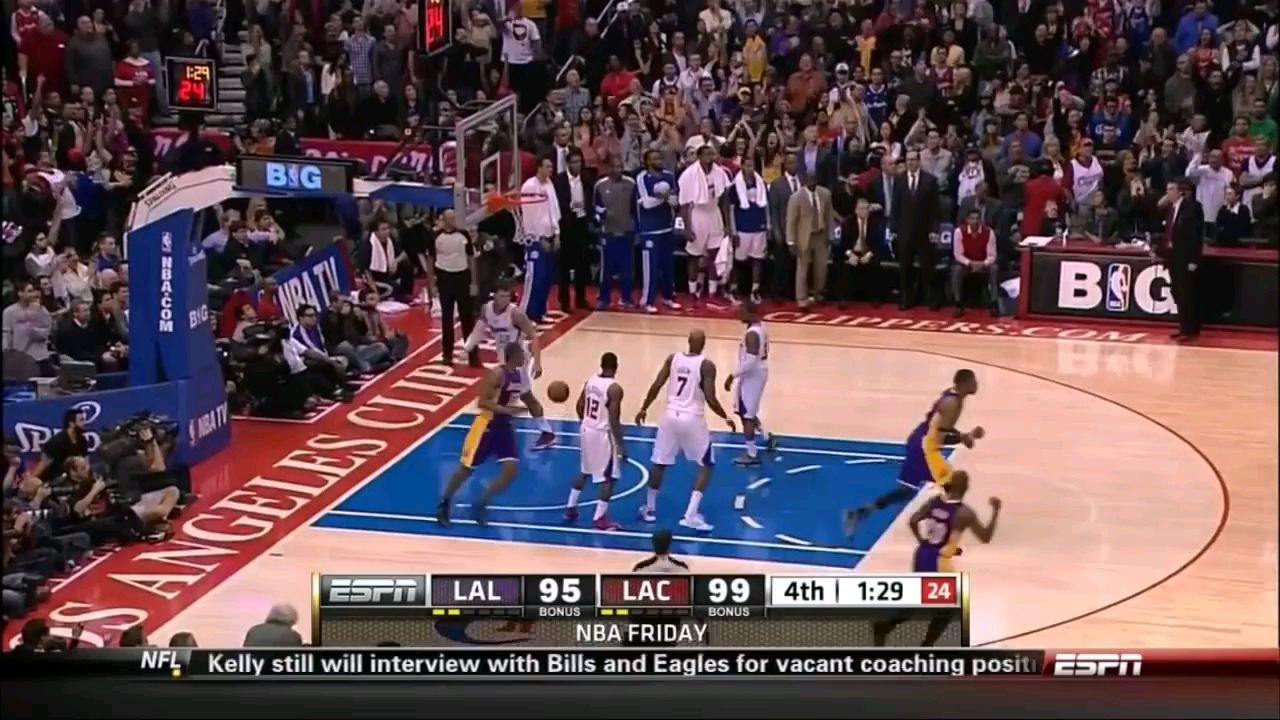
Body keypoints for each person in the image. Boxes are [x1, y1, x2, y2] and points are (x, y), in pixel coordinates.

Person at [844, 369, 984, 534]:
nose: (977, 384)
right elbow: (939, 437)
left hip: (922, 440)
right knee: (952, 486)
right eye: (973, 381)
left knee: (907, 491)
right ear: (964, 384)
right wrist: (964, 437)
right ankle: (940, 527)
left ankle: (859, 513)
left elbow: (940, 426)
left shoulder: (953, 397)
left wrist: (963, 436)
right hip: (924, 448)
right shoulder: (952, 404)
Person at [871, 470, 1001, 647]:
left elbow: (913, 521)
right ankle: (925, 646)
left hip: (922, 554)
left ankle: (884, 627)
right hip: (939, 562)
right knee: (948, 609)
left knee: (918, 600)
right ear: (966, 488)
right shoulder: (964, 513)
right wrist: (995, 511)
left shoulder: (935, 502)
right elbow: (985, 537)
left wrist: (923, 541)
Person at [634, 330, 736, 532]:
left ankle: (650, 509)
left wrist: (644, 407)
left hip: (670, 416)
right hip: (692, 419)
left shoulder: (673, 359)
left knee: (660, 463)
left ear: (688, 341)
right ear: (704, 343)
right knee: (707, 465)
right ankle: (690, 514)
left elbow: (657, 385)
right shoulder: (706, 365)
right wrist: (725, 416)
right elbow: (710, 398)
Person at [436, 342, 532, 527]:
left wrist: (521, 409)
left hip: (504, 427)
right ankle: (444, 503)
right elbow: (482, 402)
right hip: (486, 425)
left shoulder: (518, 375)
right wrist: (506, 410)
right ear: (513, 355)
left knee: (511, 470)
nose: (524, 357)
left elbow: (515, 398)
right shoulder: (496, 374)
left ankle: (481, 503)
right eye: (522, 354)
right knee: (466, 469)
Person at [462, 280, 555, 449]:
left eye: (507, 296)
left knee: (524, 396)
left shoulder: (516, 314)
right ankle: (499, 427)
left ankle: (546, 432)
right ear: (494, 296)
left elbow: (534, 336)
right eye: (502, 295)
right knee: (500, 394)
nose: (505, 299)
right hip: (503, 358)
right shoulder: (486, 310)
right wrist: (467, 348)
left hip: (518, 360)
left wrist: (537, 362)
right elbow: (478, 330)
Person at [564, 352, 625, 531]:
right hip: (601, 434)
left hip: (586, 429)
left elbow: (579, 406)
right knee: (609, 478)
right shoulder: (614, 388)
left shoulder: (590, 381)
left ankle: (570, 507)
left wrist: (586, 423)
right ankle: (600, 518)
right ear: (616, 366)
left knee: (585, 470)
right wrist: (621, 444)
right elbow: (614, 419)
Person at [724, 301, 777, 467]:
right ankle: (767, 437)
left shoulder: (752, 334)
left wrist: (732, 375)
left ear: (750, 313)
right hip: (759, 372)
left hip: (752, 375)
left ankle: (752, 454)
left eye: (741, 311)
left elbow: (751, 362)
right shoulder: (761, 326)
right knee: (749, 410)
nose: (738, 314)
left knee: (746, 414)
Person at [677, 144, 732, 303]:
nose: (710, 158)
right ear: (699, 156)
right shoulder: (688, 174)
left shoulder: (720, 172)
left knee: (715, 254)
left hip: (714, 213)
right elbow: (684, 204)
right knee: (694, 256)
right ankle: (692, 292)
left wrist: (727, 223)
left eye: (712, 154)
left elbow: (725, 200)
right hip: (698, 214)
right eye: (706, 155)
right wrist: (687, 227)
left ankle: (712, 292)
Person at [426, 210, 479, 367]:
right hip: (444, 278)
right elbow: (430, 260)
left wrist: (473, 282)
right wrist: (431, 284)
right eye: (449, 218)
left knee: (467, 318)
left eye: (454, 218)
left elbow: (471, 258)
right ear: (443, 220)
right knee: (447, 318)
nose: (452, 221)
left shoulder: (464, 234)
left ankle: (473, 354)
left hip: (462, 277)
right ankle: (447, 353)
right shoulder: (435, 237)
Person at [891, 150, 942, 310]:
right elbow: (895, 206)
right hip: (905, 231)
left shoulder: (930, 180)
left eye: (913, 159)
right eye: (908, 160)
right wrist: (893, 228)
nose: (911, 162)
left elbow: (935, 208)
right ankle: (906, 299)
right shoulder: (899, 180)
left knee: (928, 267)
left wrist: (934, 230)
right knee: (905, 267)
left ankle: (931, 299)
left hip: (924, 231)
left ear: (919, 161)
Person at [1156, 179, 1205, 342]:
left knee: (1186, 293)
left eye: (1171, 189)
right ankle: (1183, 326)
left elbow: (1196, 235)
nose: (1168, 192)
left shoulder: (1192, 207)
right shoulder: (1170, 208)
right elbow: (1168, 232)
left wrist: (1194, 259)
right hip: (1173, 256)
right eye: (1167, 189)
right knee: (1177, 292)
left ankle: (1191, 329)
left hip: (1186, 257)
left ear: (1180, 191)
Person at [636, 150, 682, 314]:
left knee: (668, 266)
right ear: (647, 162)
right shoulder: (642, 178)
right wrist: (664, 198)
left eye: (660, 158)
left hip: (667, 227)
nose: (659, 161)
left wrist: (666, 198)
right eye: (655, 158)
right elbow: (646, 203)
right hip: (650, 230)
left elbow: (675, 201)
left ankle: (668, 297)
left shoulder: (669, 176)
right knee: (651, 268)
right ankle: (647, 300)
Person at [518, 157, 561, 321]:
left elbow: (554, 211)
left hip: (550, 236)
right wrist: (538, 238)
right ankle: (526, 314)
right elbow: (529, 216)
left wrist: (556, 233)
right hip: (534, 240)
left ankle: (540, 312)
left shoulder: (550, 184)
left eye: (552, 166)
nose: (551, 169)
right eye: (548, 166)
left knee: (547, 278)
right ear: (539, 167)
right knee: (535, 277)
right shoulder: (529, 186)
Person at [551, 149, 595, 312]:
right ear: (568, 163)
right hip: (566, 225)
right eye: (574, 162)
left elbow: (590, 200)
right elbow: (556, 203)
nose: (577, 165)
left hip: (582, 224)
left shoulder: (587, 179)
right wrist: (569, 208)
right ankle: (564, 301)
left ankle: (581, 299)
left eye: (579, 162)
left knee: (582, 264)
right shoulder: (559, 180)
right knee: (564, 265)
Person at [594, 156, 638, 309]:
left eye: (620, 167)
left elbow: (635, 209)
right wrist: (602, 214)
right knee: (607, 268)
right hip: (608, 232)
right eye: (614, 167)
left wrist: (636, 230)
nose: (617, 170)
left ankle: (626, 298)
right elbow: (594, 206)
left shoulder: (631, 184)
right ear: (608, 168)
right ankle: (604, 298)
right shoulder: (600, 185)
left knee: (627, 268)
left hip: (627, 231)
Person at [785, 172, 833, 308]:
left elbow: (829, 216)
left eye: (814, 179)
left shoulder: (825, 194)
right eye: (810, 179)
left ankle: (819, 293)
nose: (812, 182)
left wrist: (830, 235)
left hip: (820, 235)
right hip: (803, 237)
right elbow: (791, 221)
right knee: (802, 269)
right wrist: (791, 242)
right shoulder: (796, 197)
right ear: (805, 180)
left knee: (821, 268)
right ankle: (802, 299)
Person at [729, 155, 770, 305]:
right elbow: (731, 209)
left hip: (758, 227)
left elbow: (766, 206)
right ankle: (734, 289)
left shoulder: (761, 183)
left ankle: (755, 290)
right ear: (742, 167)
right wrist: (733, 230)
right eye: (747, 166)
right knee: (738, 261)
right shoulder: (735, 186)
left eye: (752, 166)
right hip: (742, 228)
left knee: (757, 259)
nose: (749, 169)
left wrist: (768, 225)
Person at [950, 208, 1000, 317]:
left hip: (983, 264)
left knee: (994, 268)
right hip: (967, 265)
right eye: (972, 219)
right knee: (956, 270)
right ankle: (958, 304)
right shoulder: (959, 232)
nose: (975, 221)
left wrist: (983, 264)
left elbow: (992, 255)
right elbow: (958, 254)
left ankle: (994, 304)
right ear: (967, 220)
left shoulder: (989, 232)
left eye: (977, 219)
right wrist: (970, 263)